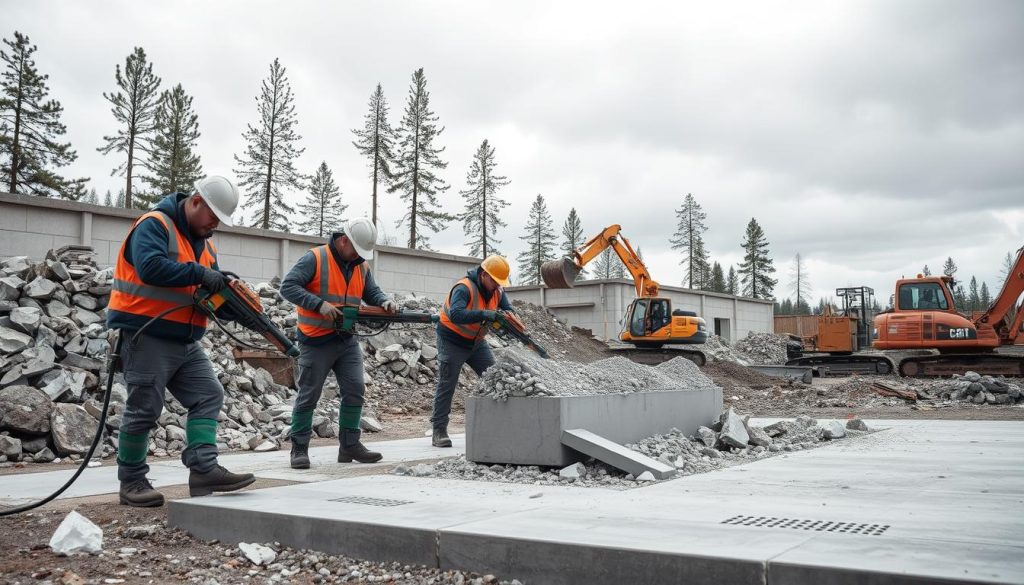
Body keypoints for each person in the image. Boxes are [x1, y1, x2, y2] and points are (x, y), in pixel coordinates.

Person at [107, 176, 255, 507]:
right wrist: (201, 275)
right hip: (146, 333)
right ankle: (131, 481)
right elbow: (150, 268)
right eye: (213, 216)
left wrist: (233, 303)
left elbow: (207, 290)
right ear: (196, 201)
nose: (215, 225)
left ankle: (203, 469)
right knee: (145, 407)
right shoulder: (154, 224)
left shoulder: (205, 241)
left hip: (185, 338)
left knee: (208, 394)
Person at [280, 218, 398, 469]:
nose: (358, 256)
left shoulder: (360, 266)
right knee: (309, 394)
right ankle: (299, 448)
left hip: (346, 339)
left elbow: (371, 292)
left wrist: (384, 301)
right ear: (343, 240)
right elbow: (287, 287)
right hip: (315, 339)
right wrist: (318, 304)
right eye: (356, 250)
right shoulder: (316, 258)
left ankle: (349, 445)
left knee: (355, 388)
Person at [431, 255, 515, 447]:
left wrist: (510, 319)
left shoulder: (497, 291)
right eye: (494, 281)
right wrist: (486, 314)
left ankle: (500, 426)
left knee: (494, 378)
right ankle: (439, 431)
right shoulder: (464, 287)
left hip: (476, 343)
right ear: (484, 275)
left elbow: (509, 310)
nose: (497, 286)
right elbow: (456, 314)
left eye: (499, 283)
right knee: (447, 384)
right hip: (451, 340)